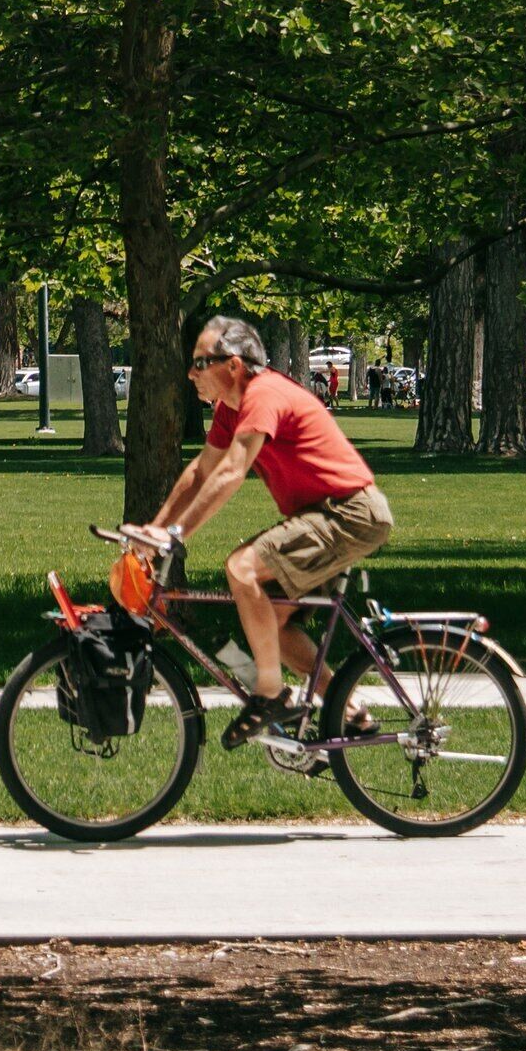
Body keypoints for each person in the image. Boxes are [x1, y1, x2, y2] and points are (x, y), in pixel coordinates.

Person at [130, 316, 396, 748]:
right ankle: (347, 711)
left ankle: (269, 695)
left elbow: (233, 471)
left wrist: (176, 535)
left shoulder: (264, 394)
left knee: (242, 568)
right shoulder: (230, 411)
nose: (190, 373)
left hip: (348, 513)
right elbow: (201, 472)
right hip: (322, 515)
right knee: (272, 623)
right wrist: (154, 531)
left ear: (232, 365)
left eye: (200, 362)